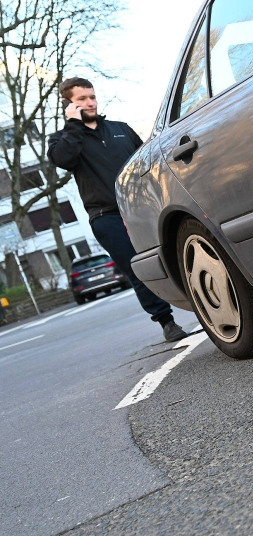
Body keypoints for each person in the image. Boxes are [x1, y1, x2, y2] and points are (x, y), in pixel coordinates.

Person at [48, 77, 188, 342]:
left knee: (172, 255)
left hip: (142, 207)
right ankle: (167, 322)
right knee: (138, 269)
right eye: (82, 99)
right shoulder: (63, 140)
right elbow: (64, 159)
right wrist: (74, 124)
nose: (90, 102)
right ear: (67, 104)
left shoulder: (120, 129)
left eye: (92, 97)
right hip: (106, 217)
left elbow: (148, 162)